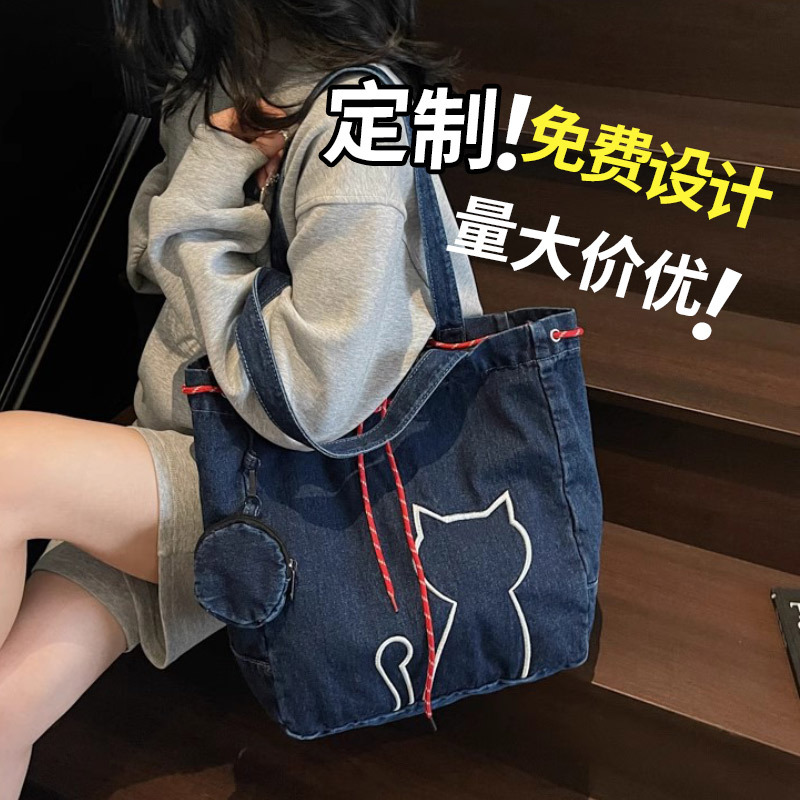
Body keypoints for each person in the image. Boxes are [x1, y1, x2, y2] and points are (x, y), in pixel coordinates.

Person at [0, 1, 482, 794]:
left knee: (8, 462)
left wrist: (203, 203)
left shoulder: (355, 110)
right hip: (189, 450)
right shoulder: (212, 72)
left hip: (301, 493)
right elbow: (149, 255)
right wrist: (213, 173)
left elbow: (312, 402)